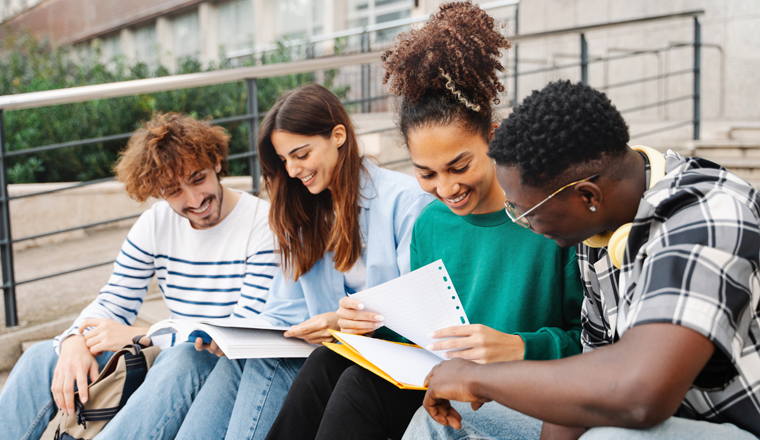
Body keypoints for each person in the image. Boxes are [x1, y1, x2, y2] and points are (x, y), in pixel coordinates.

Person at [265, 3, 584, 440]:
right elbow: (419, 333)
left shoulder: (550, 216)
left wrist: (519, 346)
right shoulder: (431, 223)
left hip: (519, 390)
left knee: (359, 390)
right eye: (427, 173)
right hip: (444, 379)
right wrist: (369, 325)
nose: (446, 187)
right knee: (330, 363)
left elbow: (591, 341)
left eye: (459, 166)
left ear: (492, 137)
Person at [410, 80, 760, 440]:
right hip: (646, 420)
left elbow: (640, 396)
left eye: (527, 212)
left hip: (731, 427)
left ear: (587, 195)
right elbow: (583, 384)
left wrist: (478, 379)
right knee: (439, 424)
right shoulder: (596, 233)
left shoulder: (707, 214)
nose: (525, 224)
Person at [169, 83, 433, 440]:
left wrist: (341, 321)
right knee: (238, 363)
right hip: (335, 354)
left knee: (293, 364)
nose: (292, 170)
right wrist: (234, 336)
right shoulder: (304, 214)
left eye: (301, 154)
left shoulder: (406, 202)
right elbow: (284, 310)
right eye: (284, 160)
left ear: (338, 135)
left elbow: (423, 310)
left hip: (394, 359)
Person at [0, 113, 279, 440]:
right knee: (41, 357)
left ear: (216, 162)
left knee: (186, 358)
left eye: (198, 178)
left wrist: (141, 335)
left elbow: (235, 334)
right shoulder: (156, 223)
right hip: (170, 353)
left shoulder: (263, 224)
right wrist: (76, 337)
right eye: (174, 191)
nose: (194, 200)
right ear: (158, 192)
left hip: (215, 367)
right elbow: (116, 298)